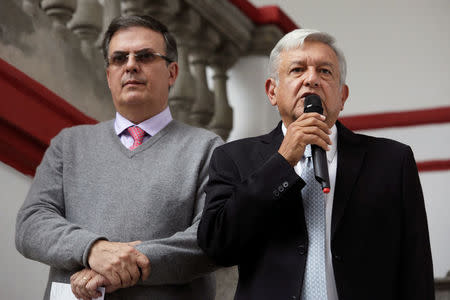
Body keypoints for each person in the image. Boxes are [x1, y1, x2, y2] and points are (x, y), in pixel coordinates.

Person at [197, 29, 435, 300]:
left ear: (342, 96)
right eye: (298, 70)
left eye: (325, 71)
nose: (312, 79)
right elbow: (217, 246)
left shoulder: (392, 161)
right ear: (272, 91)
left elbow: (416, 266)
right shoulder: (233, 158)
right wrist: (282, 162)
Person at [16, 15, 222, 300]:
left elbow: (211, 238)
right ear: (108, 74)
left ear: (172, 73)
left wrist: (126, 264)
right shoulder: (69, 144)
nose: (131, 65)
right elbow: (31, 224)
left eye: (146, 56)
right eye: (119, 58)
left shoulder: (208, 149)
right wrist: (93, 249)